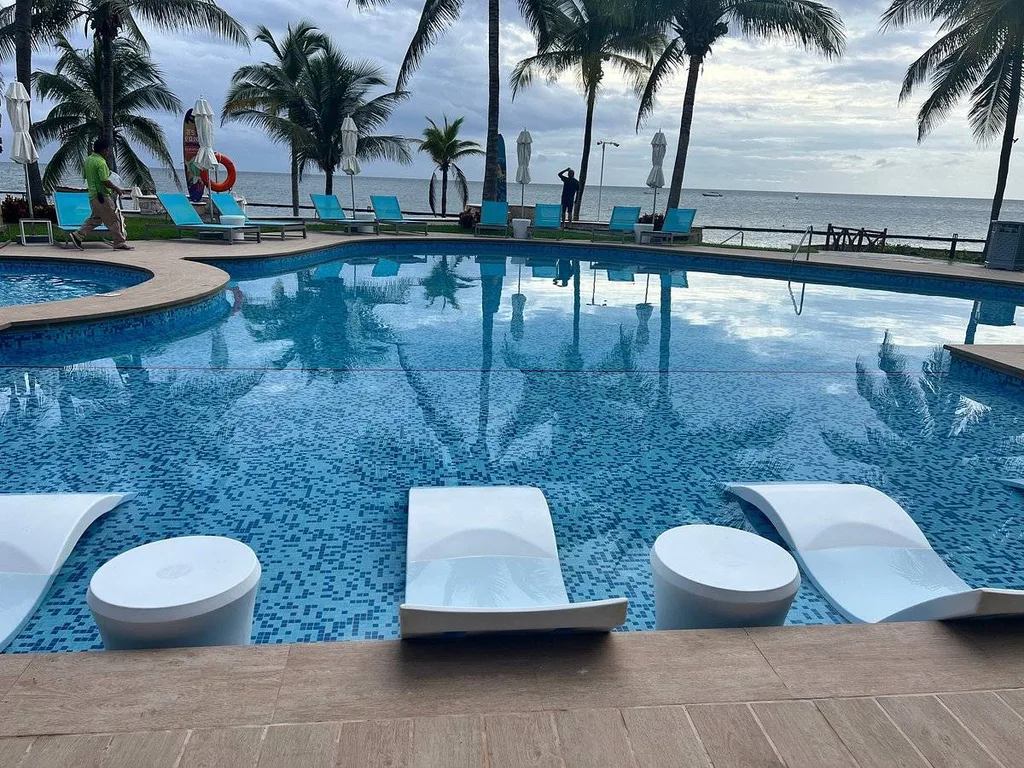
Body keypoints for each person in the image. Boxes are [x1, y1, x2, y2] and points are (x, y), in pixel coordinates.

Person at [69, 138, 132, 251]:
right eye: (108, 150)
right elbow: (104, 180)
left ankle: (78, 235)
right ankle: (119, 242)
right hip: (102, 196)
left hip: (93, 196)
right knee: (114, 218)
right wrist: (117, 188)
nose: (108, 152)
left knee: (96, 218)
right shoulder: (101, 162)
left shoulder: (88, 160)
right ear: (103, 150)